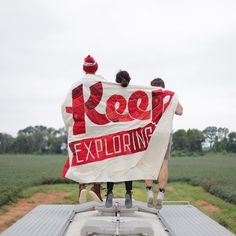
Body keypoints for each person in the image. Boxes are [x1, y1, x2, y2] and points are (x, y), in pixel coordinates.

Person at [63, 55, 104, 204]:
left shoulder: (75, 85)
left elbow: (65, 107)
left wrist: (69, 127)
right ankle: (96, 189)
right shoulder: (103, 83)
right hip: (98, 127)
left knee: (81, 158)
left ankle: (81, 187)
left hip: (80, 128)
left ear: (83, 68)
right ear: (96, 68)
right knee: (101, 158)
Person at [145, 78, 183, 209]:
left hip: (150, 134)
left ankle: (149, 191)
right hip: (165, 134)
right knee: (164, 164)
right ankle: (160, 194)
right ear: (164, 87)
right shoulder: (170, 96)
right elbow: (180, 111)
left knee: (148, 162)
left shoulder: (148, 97)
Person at [105, 70, 133, 209]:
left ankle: (109, 193)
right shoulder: (134, 94)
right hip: (128, 137)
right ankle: (128, 194)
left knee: (112, 166)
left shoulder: (110, 94)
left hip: (114, 136)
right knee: (128, 166)